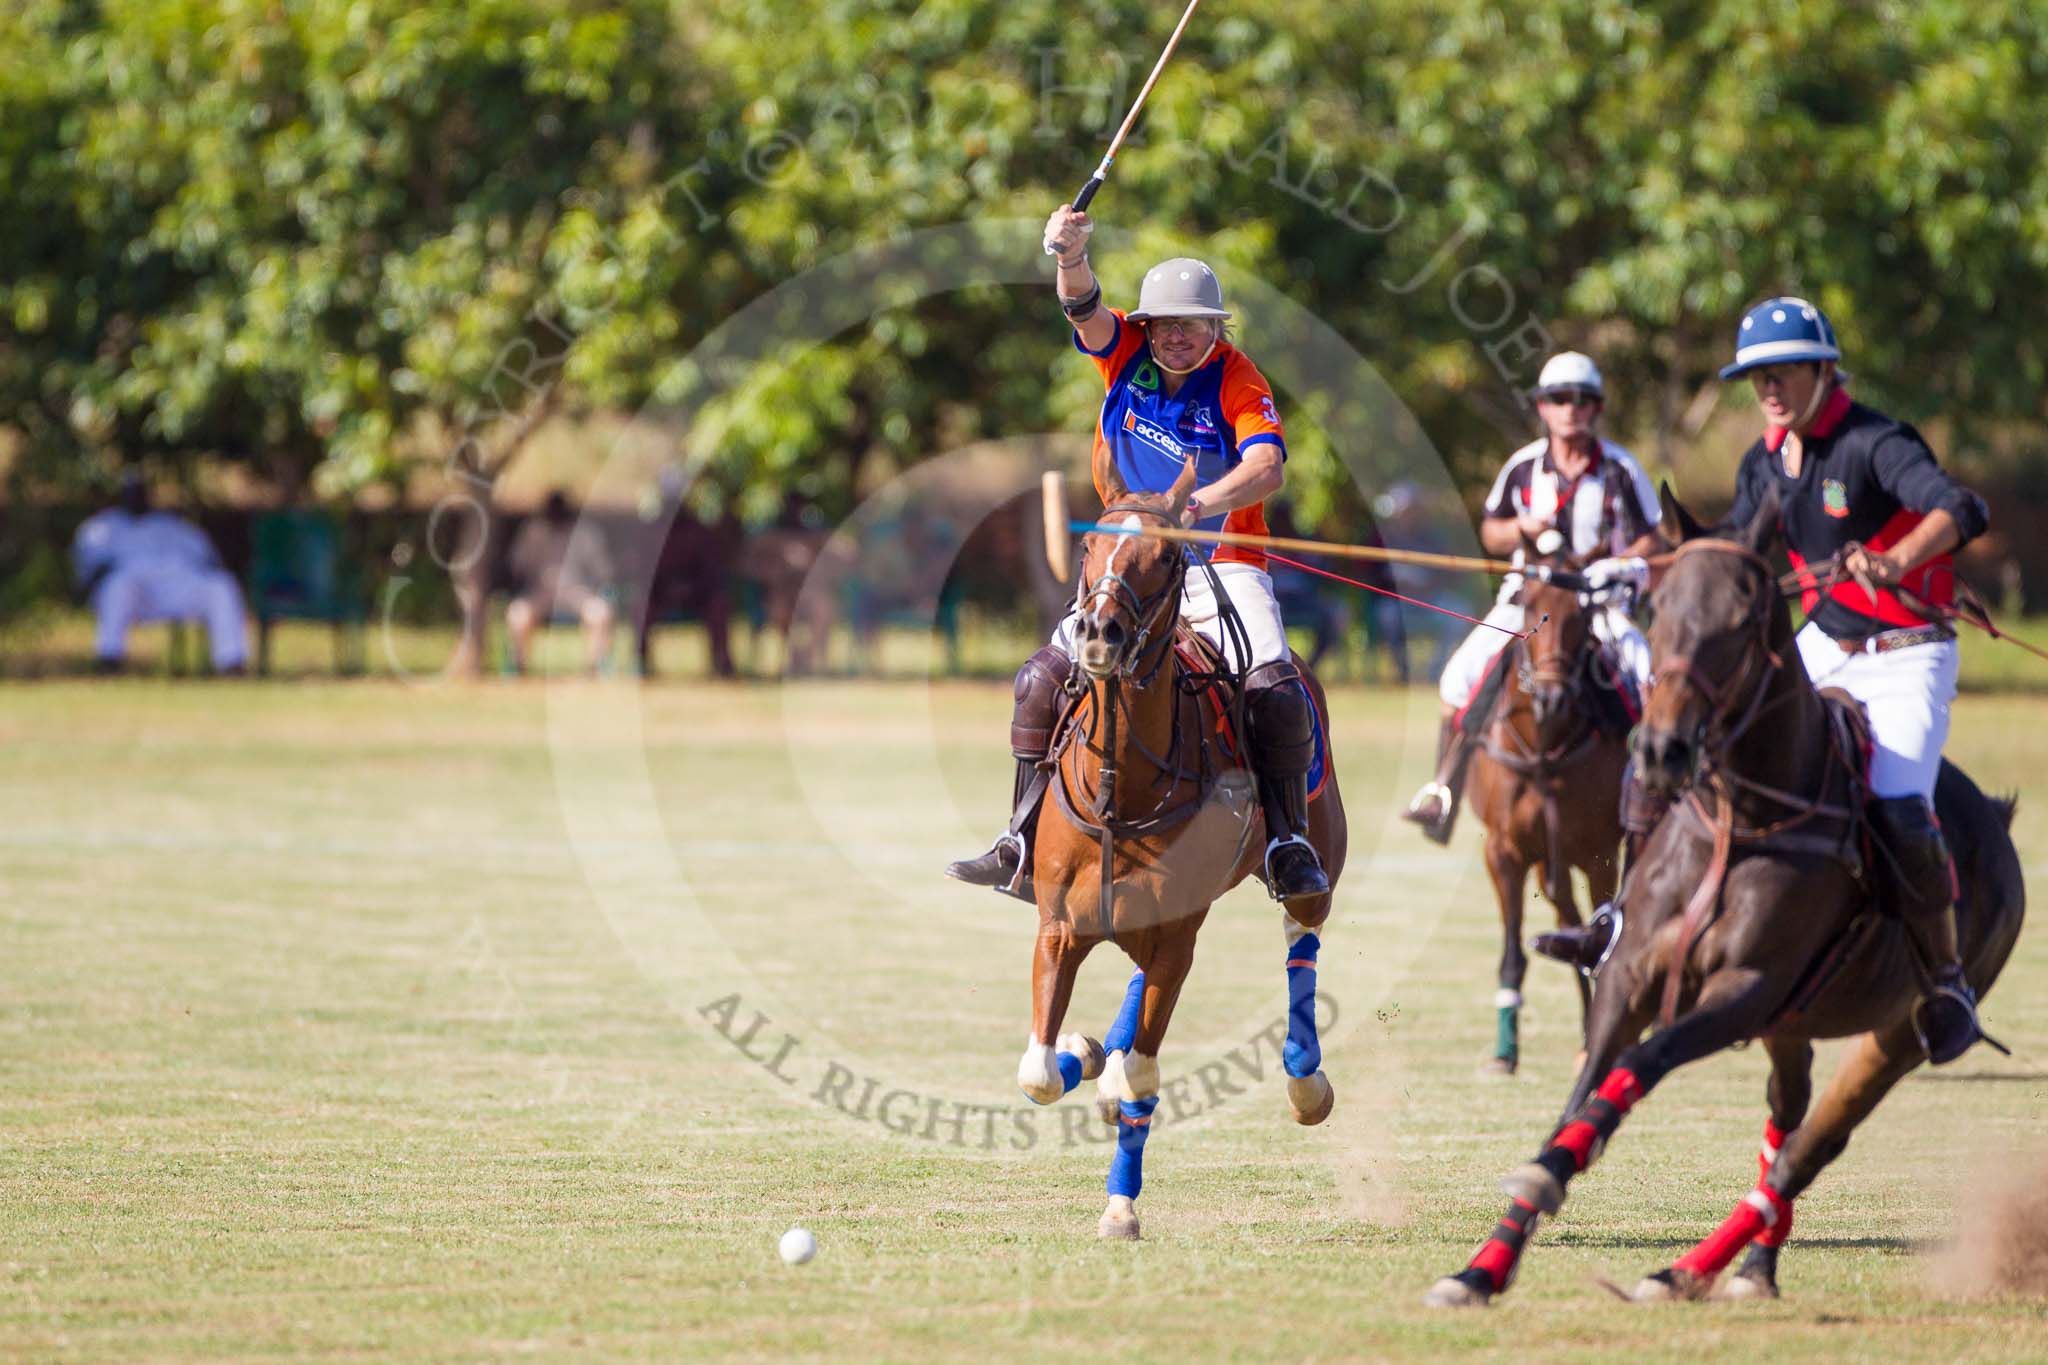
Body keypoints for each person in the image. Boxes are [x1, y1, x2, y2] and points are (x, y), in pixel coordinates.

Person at [945, 201, 1329, 902]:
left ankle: (1287, 840)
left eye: (1193, 325)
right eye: (1165, 325)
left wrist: (1200, 503)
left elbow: (1268, 464)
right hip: (1128, 562)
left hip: (1222, 565)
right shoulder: (1127, 353)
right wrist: (1068, 253)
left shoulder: (1238, 380)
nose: (1177, 337)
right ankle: (1021, 840)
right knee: (1041, 677)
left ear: (1217, 328)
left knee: (1273, 685)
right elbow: (1084, 310)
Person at [1716, 296, 1987, 1062]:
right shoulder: (1765, 459)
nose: (1767, 387)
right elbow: (1737, 551)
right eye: (1756, 376)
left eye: (1782, 371)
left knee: (1901, 805)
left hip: (1907, 650)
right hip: (1824, 643)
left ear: (1822, 369)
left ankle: (1946, 981)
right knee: (1700, 740)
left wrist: (1897, 560)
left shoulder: (1874, 442)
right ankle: (1634, 919)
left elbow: (1960, 507)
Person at [1402, 352, 1663, 844]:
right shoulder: (1523, 467)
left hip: (1597, 606)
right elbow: (1491, 531)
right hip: (1525, 604)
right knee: (1457, 678)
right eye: (1560, 399)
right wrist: (1520, 527)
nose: (1571, 409)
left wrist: (1621, 563)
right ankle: (1442, 791)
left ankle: (1657, 792)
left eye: (1582, 400)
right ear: (1543, 407)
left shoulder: (1622, 468)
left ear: (1597, 407)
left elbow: (1654, 537)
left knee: (1646, 673)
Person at [72, 473, 250, 675]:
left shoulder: (171, 524)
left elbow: (208, 559)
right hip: (136, 594)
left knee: (221, 585)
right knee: (118, 585)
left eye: (140, 493)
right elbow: (88, 571)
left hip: (178, 587)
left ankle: (232, 662)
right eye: (131, 493)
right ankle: (109, 658)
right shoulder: (102, 527)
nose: (137, 498)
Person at [505, 490, 616, 675]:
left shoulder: (585, 533)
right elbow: (517, 566)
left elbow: (603, 570)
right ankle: (518, 667)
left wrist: (595, 588)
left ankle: (596, 667)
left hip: (578, 593)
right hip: (541, 593)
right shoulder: (534, 532)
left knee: (600, 613)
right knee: (518, 614)